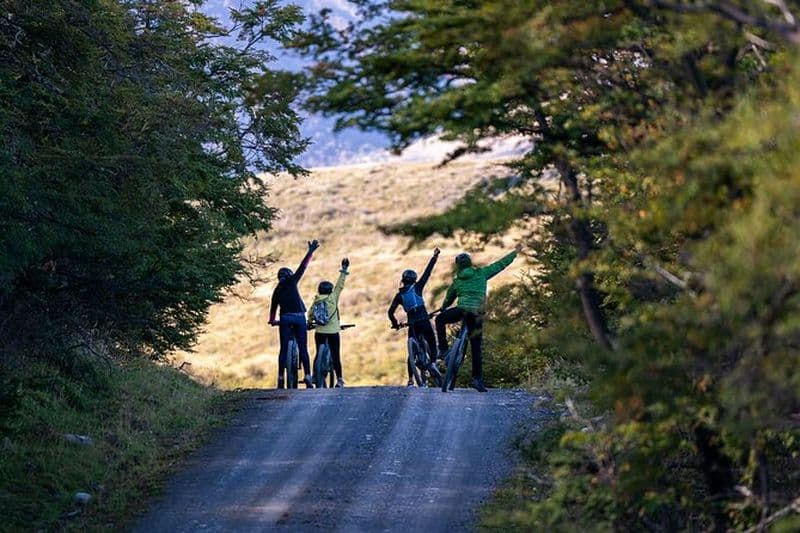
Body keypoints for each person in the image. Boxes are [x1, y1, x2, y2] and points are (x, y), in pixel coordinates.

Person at [436, 244, 522, 392]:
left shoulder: (457, 281)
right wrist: (515, 252)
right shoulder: (482, 273)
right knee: (476, 347)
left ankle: (443, 349)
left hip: (461, 310)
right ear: (470, 263)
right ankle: (477, 379)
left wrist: (443, 308)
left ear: (458, 266)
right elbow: (501, 264)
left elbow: (448, 299)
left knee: (439, 320)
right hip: (476, 314)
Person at [269, 240, 320, 389]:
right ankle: (308, 376)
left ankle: (280, 377)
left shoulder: (277, 290)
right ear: (290, 275)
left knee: (283, 349)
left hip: (285, 319)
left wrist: (272, 321)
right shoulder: (292, 281)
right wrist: (310, 252)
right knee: (303, 349)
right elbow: (302, 267)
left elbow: (273, 308)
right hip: (299, 317)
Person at [388, 247, 442, 387]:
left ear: (403, 281)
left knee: (411, 353)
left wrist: (395, 324)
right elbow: (427, 273)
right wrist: (434, 257)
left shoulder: (399, 295)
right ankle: (434, 363)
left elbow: (390, 312)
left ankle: (411, 380)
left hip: (412, 325)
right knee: (432, 342)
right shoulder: (417, 287)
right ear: (414, 280)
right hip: (424, 321)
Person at [308, 257, 350, 388]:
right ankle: (340, 380)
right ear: (330, 291)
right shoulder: (333, 297)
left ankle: (315, 375)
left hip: (319, 331)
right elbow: (340, 285)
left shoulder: (316, 300)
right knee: (336, 355)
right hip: (333, 331)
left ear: (319, 291)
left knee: (317, 353)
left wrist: (310, 322)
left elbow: (310, 313)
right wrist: (344, 270)